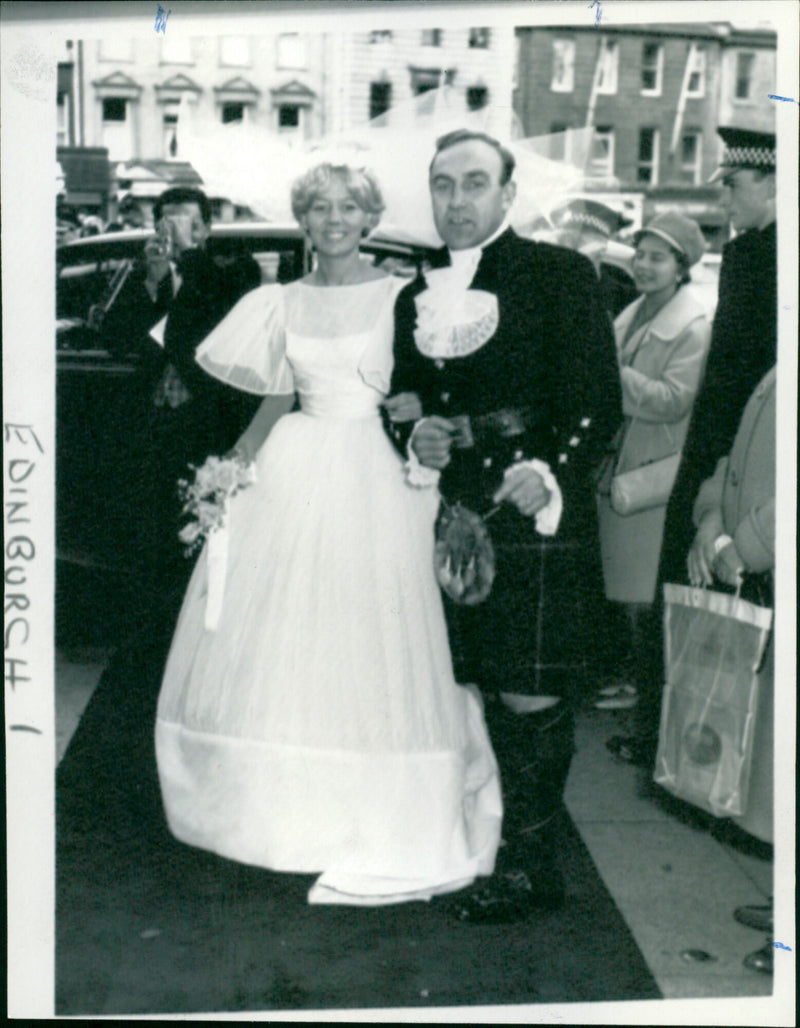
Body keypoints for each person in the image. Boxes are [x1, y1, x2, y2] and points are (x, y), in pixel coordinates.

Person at [155, 163, 503, 907]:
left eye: (349, 207)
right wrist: (230, 473)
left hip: (373, 474)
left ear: (368, 217)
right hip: (292, 468)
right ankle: (273, 811)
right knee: (283, 640)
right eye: (320, 208)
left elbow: (426, 390)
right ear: (304, 221)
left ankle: (370, 809)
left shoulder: (399, 294)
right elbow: (279, 397)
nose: (335, 219)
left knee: (365, 640)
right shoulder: (278, 299)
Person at [387, 129, 622, 922]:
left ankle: (531, 866)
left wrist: (550, 465)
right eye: (443, 184)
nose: (457, 201)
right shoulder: (413, 293)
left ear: (507, 194)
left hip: (534, 510)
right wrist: (412, 437)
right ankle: (499, 841)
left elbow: (596, 398)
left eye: (475, 183)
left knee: (529, 689)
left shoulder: (560, 274)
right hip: (456, 517)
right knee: (482, 680)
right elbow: (408, 400)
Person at [611, 127, 777, 767]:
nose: (727, 202)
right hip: (723, 450)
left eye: (735, 185)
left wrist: (717, 469)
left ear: (773, 181)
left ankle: (685, 739)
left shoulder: (764, 258)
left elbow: (734, 378)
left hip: (738, 453)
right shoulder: (752, 255)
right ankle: (674, 733)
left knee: (703, 598)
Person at [98, 186, 262, 596]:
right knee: (151, 545)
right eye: (164, 221)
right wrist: (152, 286)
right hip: (153, 425)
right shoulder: (150, 273)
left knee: (200, 545)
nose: (170, 230)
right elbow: (117, 339)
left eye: (184, 221)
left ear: (205, 228)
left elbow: (212, 321)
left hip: (206, 424)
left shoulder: (233, 270)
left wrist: (188, 256)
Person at [597, 213, 711, 720]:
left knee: (642, 589)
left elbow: (675, 400)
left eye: (657, 257)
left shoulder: (691, 328)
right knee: (624, 585)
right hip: (620, 466)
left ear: (681, 267)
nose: (643, 265)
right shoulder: (634, 312)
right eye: (639, 254)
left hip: (651, 471)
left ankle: (644, 690)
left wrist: (611, 373)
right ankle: (632, 679)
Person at [688, 365, 776, 974]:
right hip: (759, 574)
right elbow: (732, 460)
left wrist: (737, 546)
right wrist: (711, 525)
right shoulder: (776, 365)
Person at [550, 198, 638, 318]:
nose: (565, 254)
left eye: (575, 243)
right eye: (562, 242)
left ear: (600, 249)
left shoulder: (622, 296)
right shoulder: (543, 282)